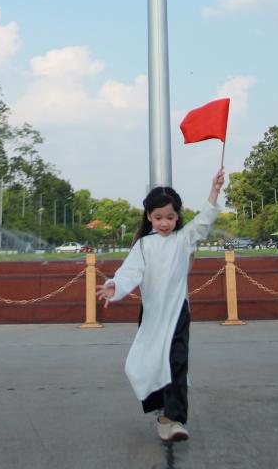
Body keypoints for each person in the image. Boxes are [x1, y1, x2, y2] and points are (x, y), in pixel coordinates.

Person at [96, 166, 225, 444]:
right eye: (158, 217)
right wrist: (113, 286)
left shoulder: (183, 240)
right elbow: (129, 272)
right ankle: (161, 411)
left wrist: (214, 190)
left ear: (177, 217)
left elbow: (204, 220)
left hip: (178, 312)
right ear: (148, 217)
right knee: (147, 364)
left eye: (170, 217)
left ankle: (173, 419)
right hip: (154, 315)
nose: (164, 223)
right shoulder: (144, 245)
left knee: (177, 363)